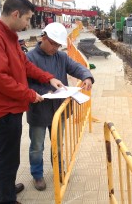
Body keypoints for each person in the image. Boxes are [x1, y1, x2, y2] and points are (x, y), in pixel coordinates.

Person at [0, 0, 65, 204]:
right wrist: (30, 94)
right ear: (15, 14)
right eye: (27, 19)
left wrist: (48, 78)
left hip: (11, 107)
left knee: (10, 155)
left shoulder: (9, 36)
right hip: (2, 109)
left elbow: (25, 65)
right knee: (8, 156)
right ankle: (6, 199)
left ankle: (6, 187)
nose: (28, 24)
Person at [26, 22, 94, 191]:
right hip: (39, 111)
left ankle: (58, 169)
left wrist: (87, 76)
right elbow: (25, 84)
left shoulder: (60, 57)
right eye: (53, 44)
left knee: (58, 143)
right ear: (44, 38)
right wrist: (43, 91)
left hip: (59, 110)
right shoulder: (29, 58)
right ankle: (37, 175)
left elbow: (76, 67)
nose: (56, 48)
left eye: (58, 44)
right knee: (37, 146)